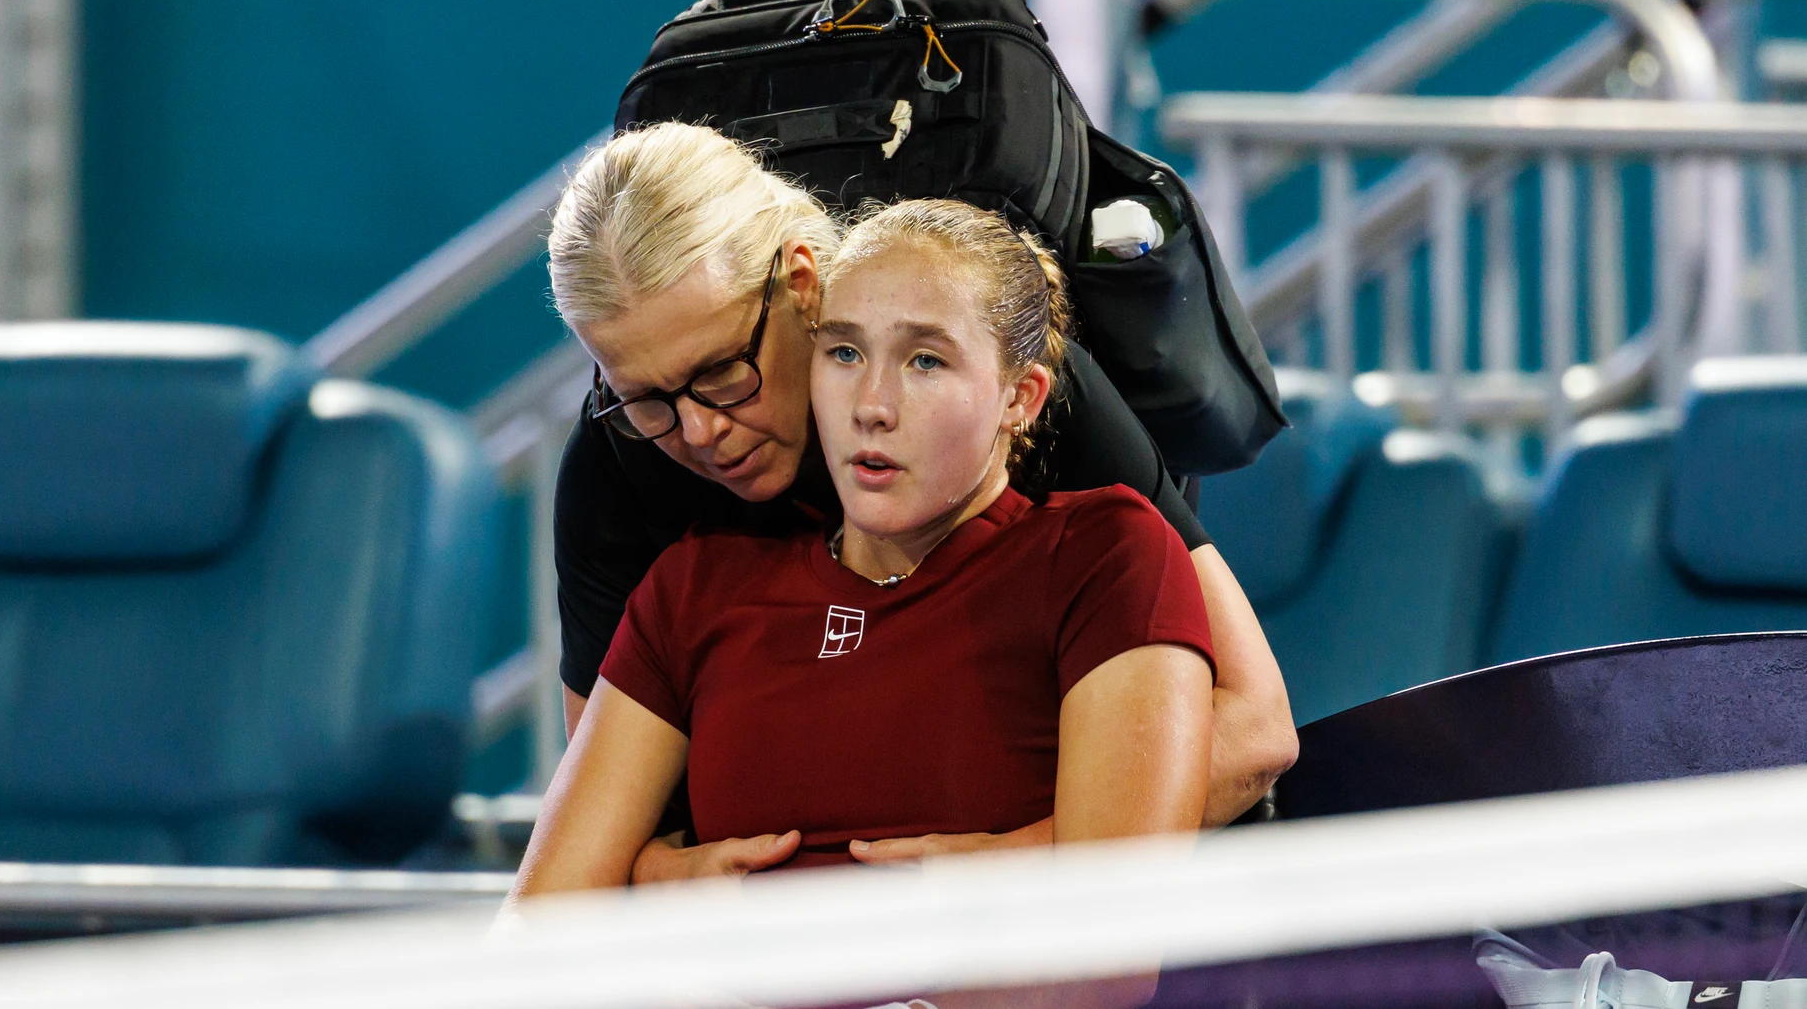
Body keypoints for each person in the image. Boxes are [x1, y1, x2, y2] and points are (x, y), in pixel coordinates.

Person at [547, 122, 1296, 881]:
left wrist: (995, 875)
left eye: (722, 371)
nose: (700, 429)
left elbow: (1255, 727)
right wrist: (648, 888)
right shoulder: (623, 471)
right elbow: (604, 835)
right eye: (644, 397)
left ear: (801, 286)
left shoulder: (1022, 412)